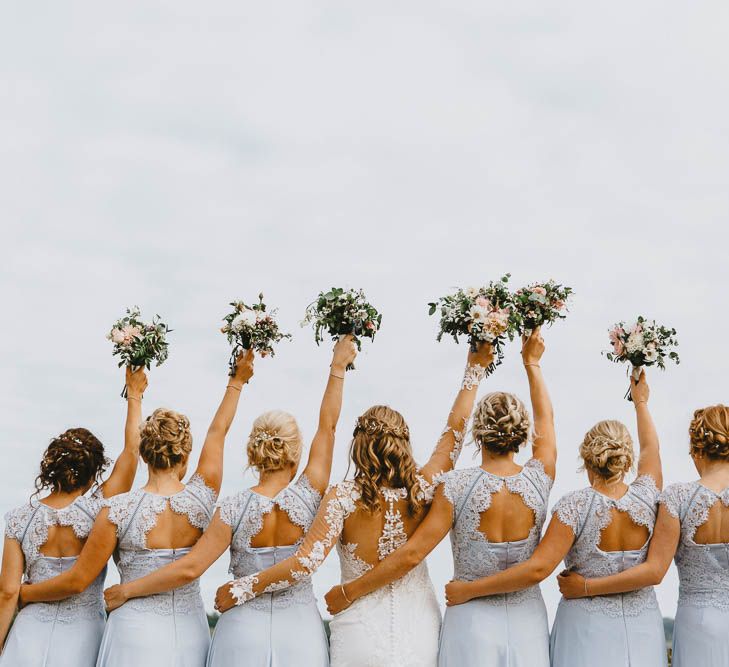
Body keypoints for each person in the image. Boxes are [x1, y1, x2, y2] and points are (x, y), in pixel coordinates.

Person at [213, 342, 495, 667]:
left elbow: (306, 562)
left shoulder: (343, 497)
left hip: (358, 627)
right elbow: (455, 431)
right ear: (403, 444)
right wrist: (474, 369)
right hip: (419, 627)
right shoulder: (426, 487)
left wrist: (244, 587)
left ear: (358, 446)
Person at [103, 337, 358, 667]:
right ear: (296, 454)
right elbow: (329, 426)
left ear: (253, 453)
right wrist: (338, 367)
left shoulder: (232, 510)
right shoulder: (311, 493)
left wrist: (127, 590)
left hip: (241, 635)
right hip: (300, 633)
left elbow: (191, 567)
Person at [324, 329, 556, 667]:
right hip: (527, 622)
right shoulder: (541, 477)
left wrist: (474, 369)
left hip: (469, 619)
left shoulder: (454, 486)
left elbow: (414, 552)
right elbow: (546, 424)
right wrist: (532, 364)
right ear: (525, 434)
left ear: (479, 433)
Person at [18, 351, 255, 666]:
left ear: (145, 455)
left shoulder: (117, 509)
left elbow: (80, 577)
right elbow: (218, 432)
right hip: (188, 632)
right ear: (185, 455)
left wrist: (135, 396)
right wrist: (236, 381)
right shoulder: (203, 495)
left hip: (132, 634)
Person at [444, 371, 666, 667]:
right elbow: (652, 449)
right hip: (643, 627)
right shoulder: (650, 496)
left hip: (586, 630)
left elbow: (538, 567)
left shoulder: (573, 507)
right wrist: (641, 403)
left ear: (586, 459)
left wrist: (467, 589)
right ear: (627, 458)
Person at [558, 403, 729, 667]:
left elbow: (655, 570)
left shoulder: (679, 498)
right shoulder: (662, 497)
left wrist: (585, 587)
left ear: (696, 449)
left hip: (698, 622)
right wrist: (641, 403)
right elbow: (651, 451)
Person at [0, 366, 148, 666]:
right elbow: (132, 453)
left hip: (27, 635)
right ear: (94, 473)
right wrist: (135, 395)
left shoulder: (18, 519)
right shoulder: (99, 510)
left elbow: (6, 593)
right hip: (82, 637)